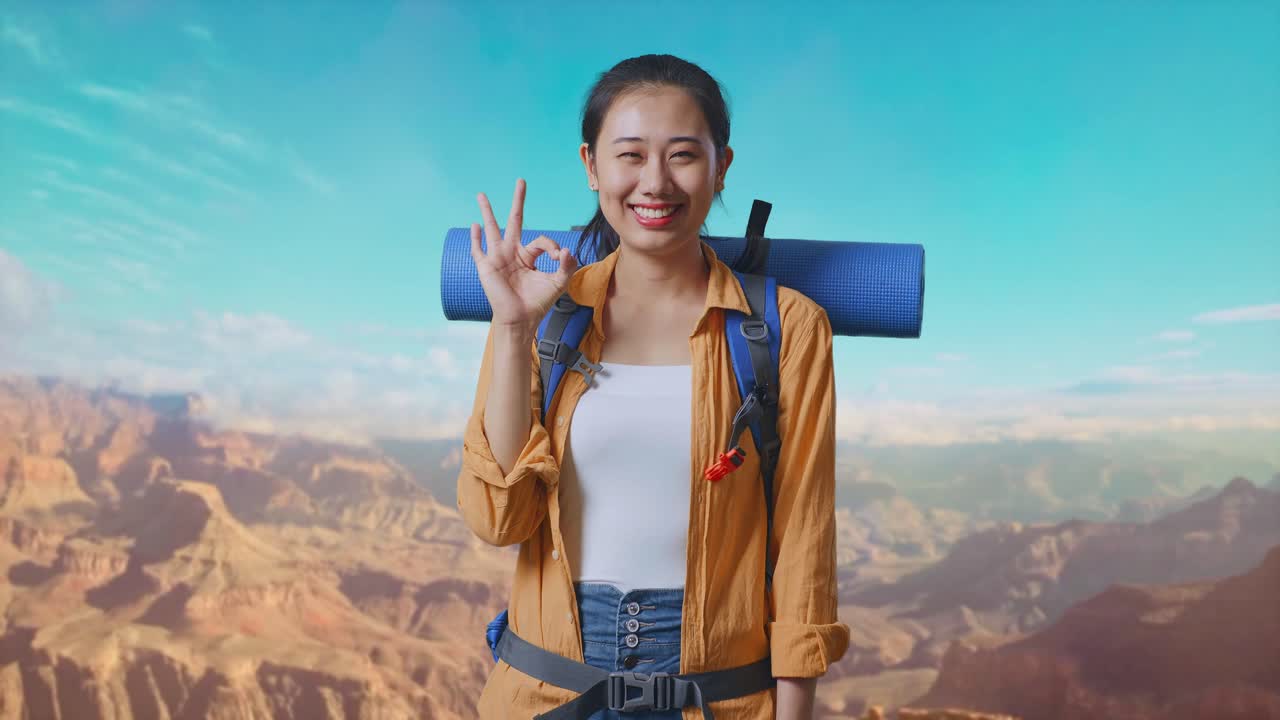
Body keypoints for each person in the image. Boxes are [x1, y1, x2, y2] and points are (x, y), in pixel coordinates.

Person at [457, 53, 849, 720]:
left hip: (720, 699)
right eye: (630, 154)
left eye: (683, 156)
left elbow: (804, 542)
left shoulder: (787, 329)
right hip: (545, 692)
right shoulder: (541, 314)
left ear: (722, 166)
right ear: (591, 166)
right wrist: (514, 328)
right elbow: (501, 519)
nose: (655, 183)